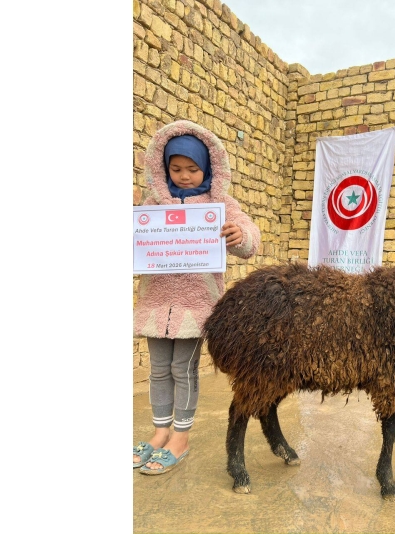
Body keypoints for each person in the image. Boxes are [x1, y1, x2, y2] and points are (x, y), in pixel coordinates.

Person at [132, 119, 261, 475]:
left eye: (192, 168)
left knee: (182, 369)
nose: (184, 176)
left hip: (195, 304)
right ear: (163, 167)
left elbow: (250, 237)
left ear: (207, 168)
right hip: (156, 302)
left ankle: (181, 436)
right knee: (158, 370)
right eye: (176, 169)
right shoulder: (151, 203)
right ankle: (159, 432)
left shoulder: (219, 203)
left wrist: (240, 235)